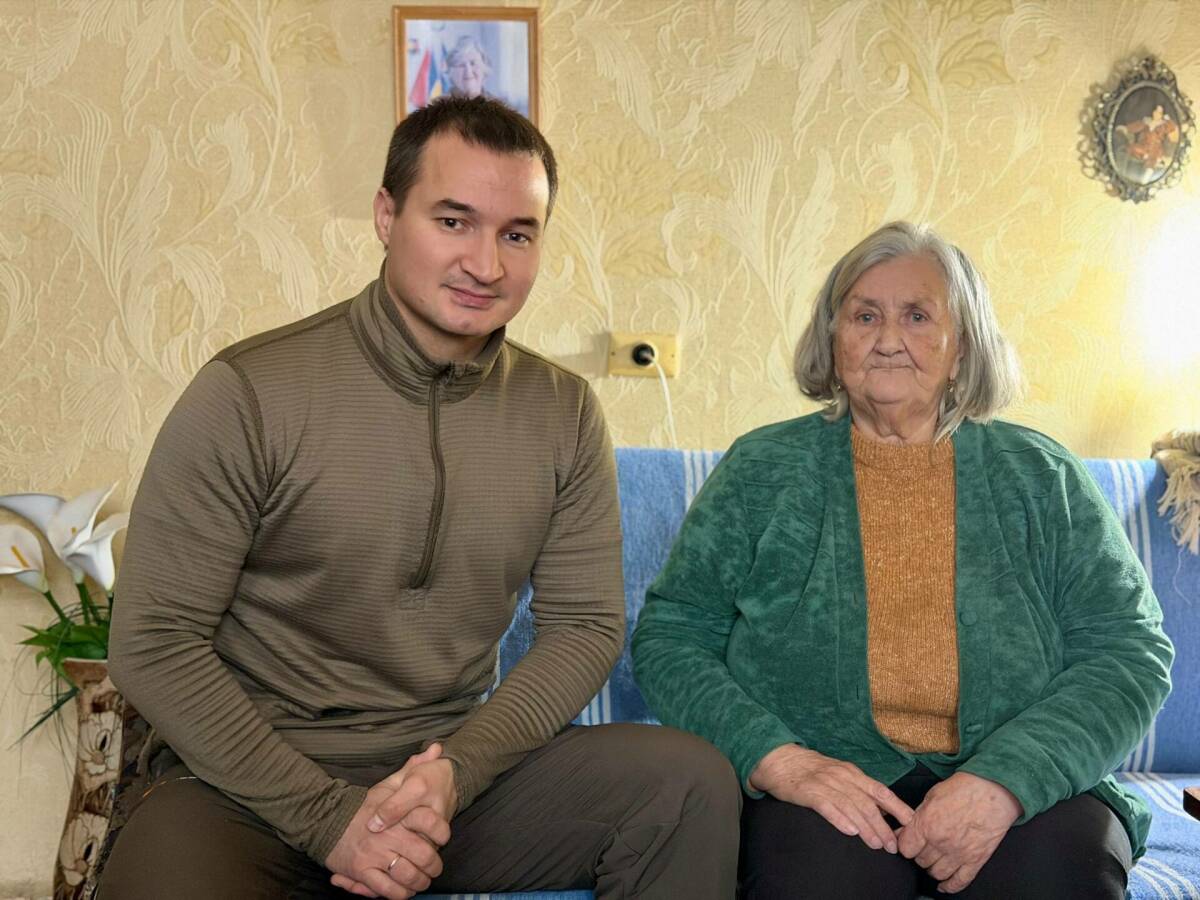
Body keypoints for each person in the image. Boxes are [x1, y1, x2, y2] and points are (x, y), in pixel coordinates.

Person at [98, 96, 739, 900]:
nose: (486, 264)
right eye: (453, 221)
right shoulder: (248, 391)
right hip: (245, 788)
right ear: (386, 215)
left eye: (518, 234)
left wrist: (457, 772)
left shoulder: (563, 411)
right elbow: (154, 641)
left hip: (447, 780)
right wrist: (328, 821)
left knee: (684, 784)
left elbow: (585, 627)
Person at [631, 221, 1174, 899]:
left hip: (1024, 783)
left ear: (962, 344)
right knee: (816, 884)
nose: (888, 339)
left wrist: (1005, 781)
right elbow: (672, 636)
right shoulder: (761, 469)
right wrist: (779, 760)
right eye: (865, 316)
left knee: (1059, 877)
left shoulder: (1042, 475)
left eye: (917, 316)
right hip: (825, 784)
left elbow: (1128, 652)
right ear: (834, 339)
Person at [446, 36, 490, 100]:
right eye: (461, 65)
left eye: (473, 63)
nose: (468, 71)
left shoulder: (499, 104)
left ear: (484, 69)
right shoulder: (438, 105)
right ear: (451, 72)